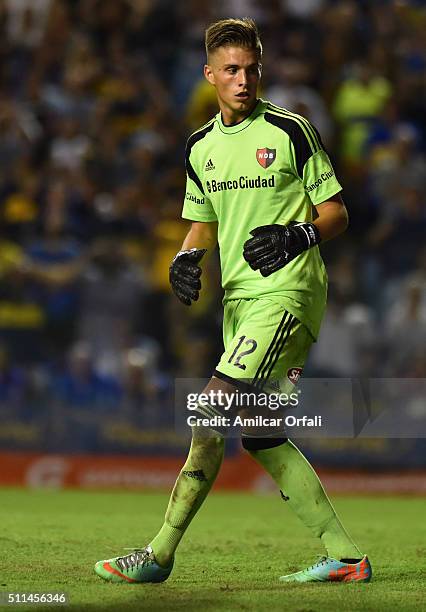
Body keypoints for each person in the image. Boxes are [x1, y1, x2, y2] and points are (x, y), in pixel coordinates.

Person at [95, 18, 372, 585]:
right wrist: (184, 259)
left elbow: (337, 213)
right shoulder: (200, 147)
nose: (242, 81)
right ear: (209, 75)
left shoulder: (291, 131)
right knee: (260, 432)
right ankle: (346, 558)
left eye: (250, 70)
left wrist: (300, 235)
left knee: (209, 406)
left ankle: (159, 554)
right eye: (231, 71)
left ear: (260, 71)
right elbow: (201, 225)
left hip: (289, 291)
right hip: (240, 302)